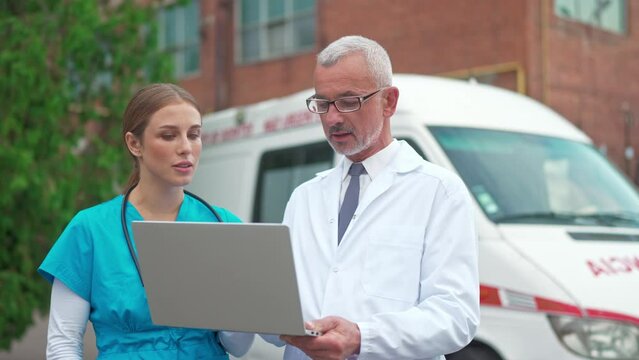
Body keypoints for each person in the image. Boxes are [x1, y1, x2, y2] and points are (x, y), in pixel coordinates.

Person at [264, 35, 480, 359]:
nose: (332, 118)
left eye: (348, 101)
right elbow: (281, 312)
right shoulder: (304, 198)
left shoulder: (439, 192)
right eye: (322, 104)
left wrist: (363, 337)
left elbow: (456, 315)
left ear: (389, 102)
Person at [38, 84, 254, 359]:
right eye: (168, 136)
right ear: (134, 143)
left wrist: (238, 303)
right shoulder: (90, 230)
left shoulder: (224, 225)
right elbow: (63, 345)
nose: (186, 148)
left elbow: (238, 346)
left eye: (194, 135)